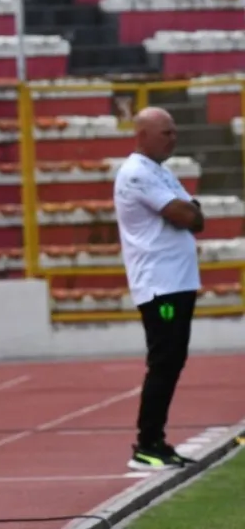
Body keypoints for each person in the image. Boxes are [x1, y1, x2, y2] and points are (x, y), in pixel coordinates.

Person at [113, 106, 204, 471]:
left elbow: (194, 215)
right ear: (143, 135)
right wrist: (188, 212)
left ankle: (156, 441)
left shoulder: (161, 173)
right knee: (164, 362)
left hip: (177, 282)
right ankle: (147, 443)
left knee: (172, 360)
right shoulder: (137, 174)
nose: (173, 137)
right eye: (166, 132)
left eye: (173, 131)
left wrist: (189, 212)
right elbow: (185, 215)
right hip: (159, 284)